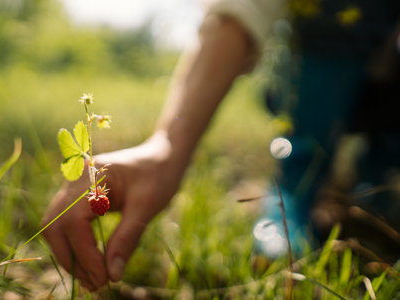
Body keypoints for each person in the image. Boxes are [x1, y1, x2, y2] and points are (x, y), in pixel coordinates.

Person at [41, 0, 400, 291]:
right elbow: (244, 9)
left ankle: (378, 184)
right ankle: (295, 188)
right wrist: (168, 146)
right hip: (323, 61)